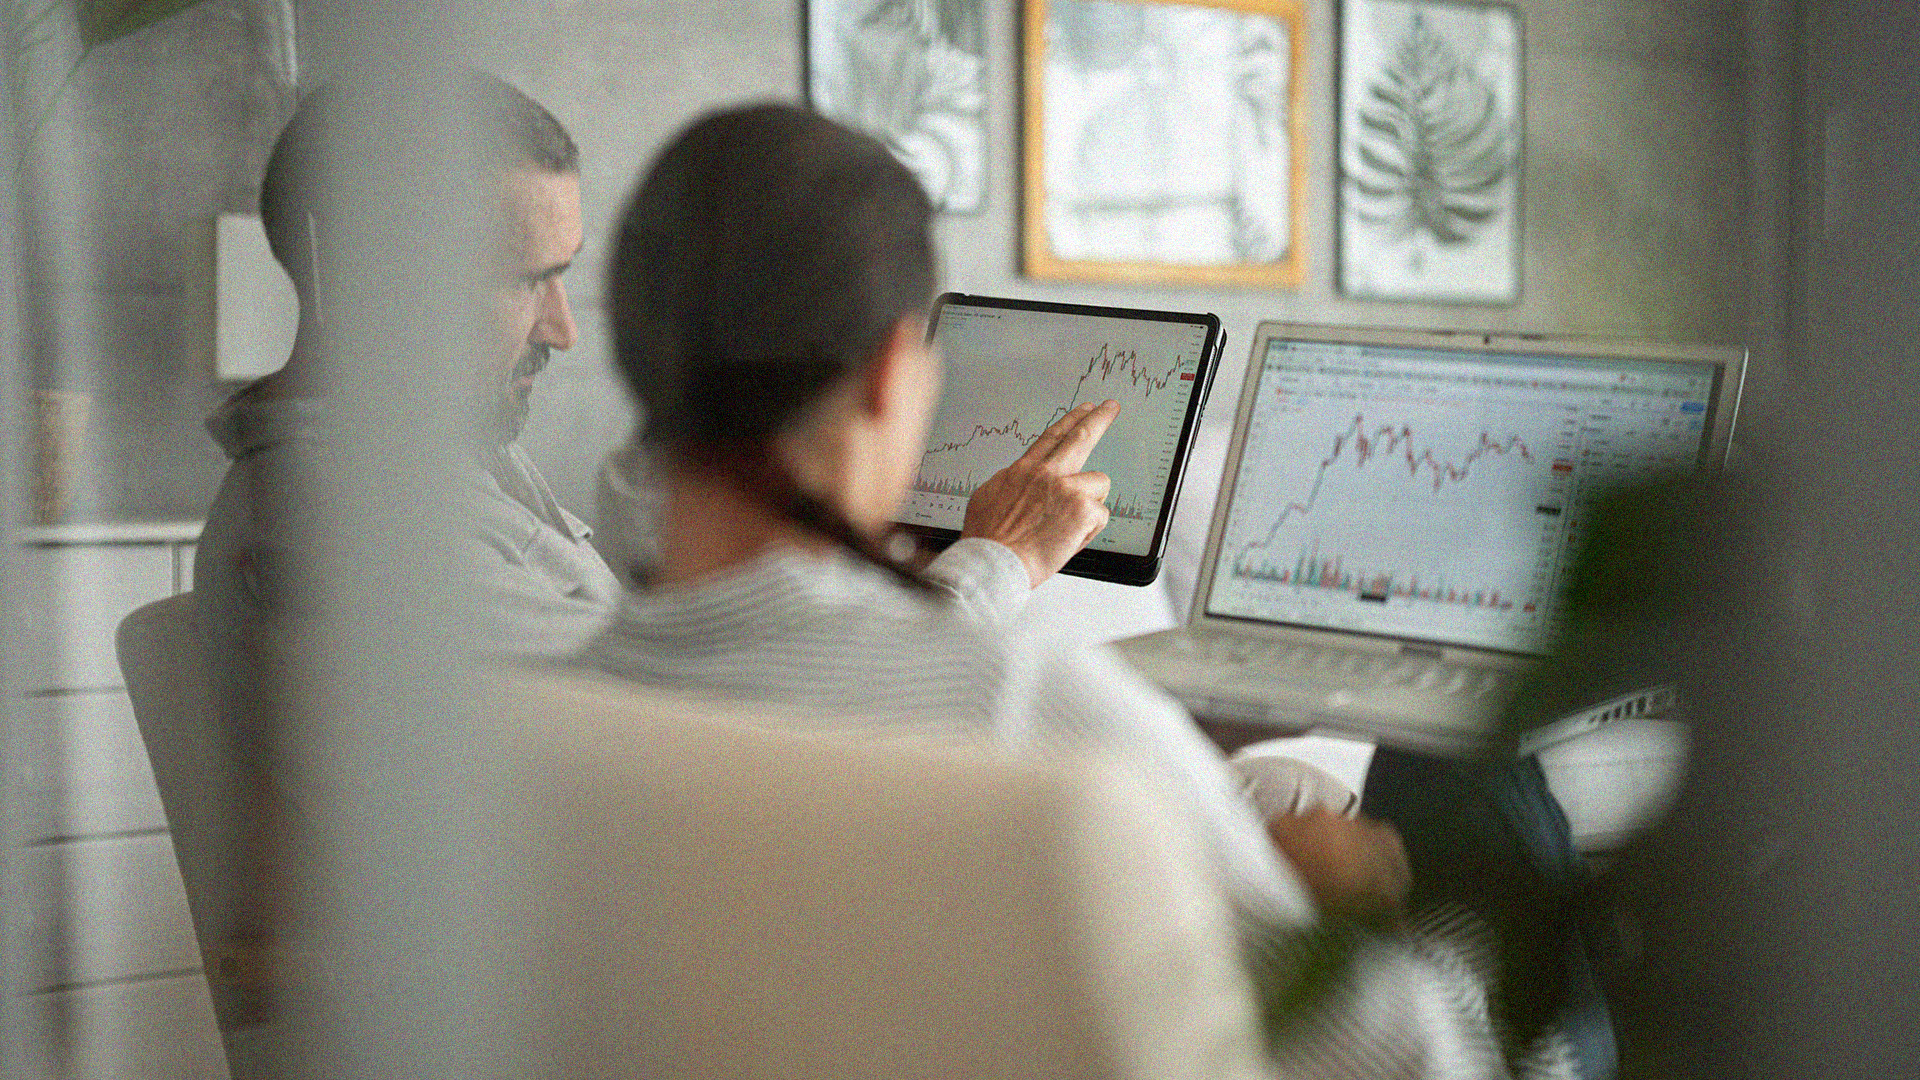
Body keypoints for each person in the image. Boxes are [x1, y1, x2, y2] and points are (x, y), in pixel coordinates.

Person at [581, 102, 1571, 1077]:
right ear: (893, 372)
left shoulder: (558, 704)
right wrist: (1346, 911)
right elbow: (1416, 1059)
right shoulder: (1028, 712)